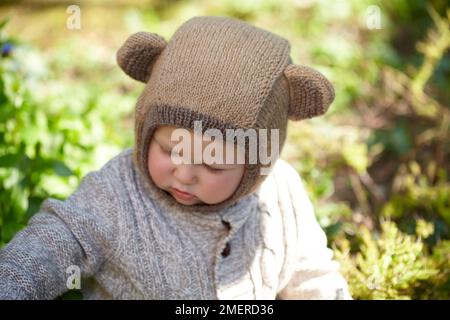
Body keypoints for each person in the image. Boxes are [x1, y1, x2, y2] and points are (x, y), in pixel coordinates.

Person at [0, 16, 351, 299]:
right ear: (146, 132)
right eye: (170, 151)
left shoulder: (281, 193)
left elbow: (312, 275)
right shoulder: (116, 196)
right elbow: (53, 245)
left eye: (213, 164)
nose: (184, 174)